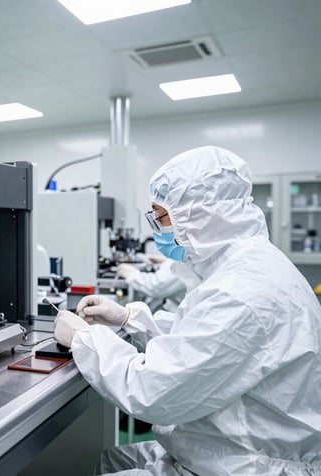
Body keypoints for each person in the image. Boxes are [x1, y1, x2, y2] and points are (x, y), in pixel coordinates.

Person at [53, 146, 321, 475]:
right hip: (227, 443)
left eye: (161, 217)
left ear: (202, 213)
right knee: (108, 459)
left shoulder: (241, 291)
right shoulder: (247, 266)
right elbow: (201, 342)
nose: (158, 229)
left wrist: (83, 338)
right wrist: (129, 318)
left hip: (246, 464)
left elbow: (153, 391)